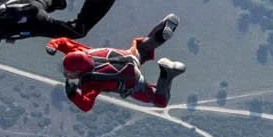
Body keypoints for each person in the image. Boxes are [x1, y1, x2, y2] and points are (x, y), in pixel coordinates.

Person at [50, 20, 185, 111]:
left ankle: (167, 73)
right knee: (144, 47)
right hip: (129, 57)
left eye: (68, 72)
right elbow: (63, 42)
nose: (67, 74)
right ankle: (164, 27)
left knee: (159, 101)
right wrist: (52, 46)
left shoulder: (89, 83)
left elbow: (86, 105)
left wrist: (72, 94)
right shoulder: (82, 53)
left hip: (133, 81)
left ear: (78, 71)